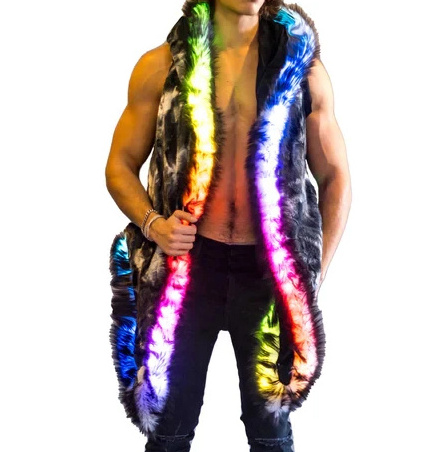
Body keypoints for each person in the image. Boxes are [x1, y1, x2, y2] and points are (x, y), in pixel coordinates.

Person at [105, 1, 351, 451]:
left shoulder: (302, 72)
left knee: (270, 433)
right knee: (168, 429)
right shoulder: (160, 68)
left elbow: (335, 176)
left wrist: (313, 275)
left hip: (266, 275)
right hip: (186, 270)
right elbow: (119, 165)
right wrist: (154, 225)